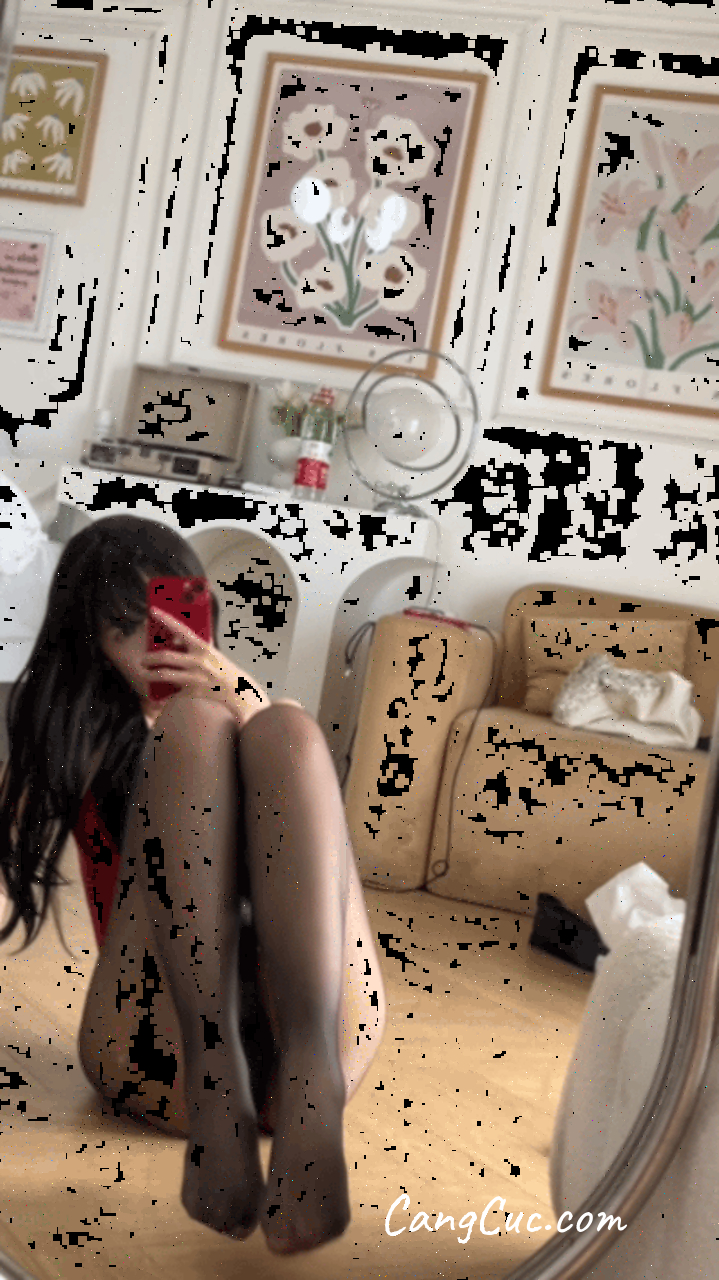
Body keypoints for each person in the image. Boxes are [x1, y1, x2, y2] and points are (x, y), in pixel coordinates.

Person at [0, 513, 387, 1255]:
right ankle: (215, 1077)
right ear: (86, 636)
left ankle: (310, 1080)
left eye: (170, 619)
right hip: (160, 1048)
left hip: (315, 1042)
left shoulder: (255, 722)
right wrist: (176, 729)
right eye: (126, 628)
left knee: (288, 729)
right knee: (194, 734)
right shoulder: (73, 737)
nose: (154, 646)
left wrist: (246, 698)